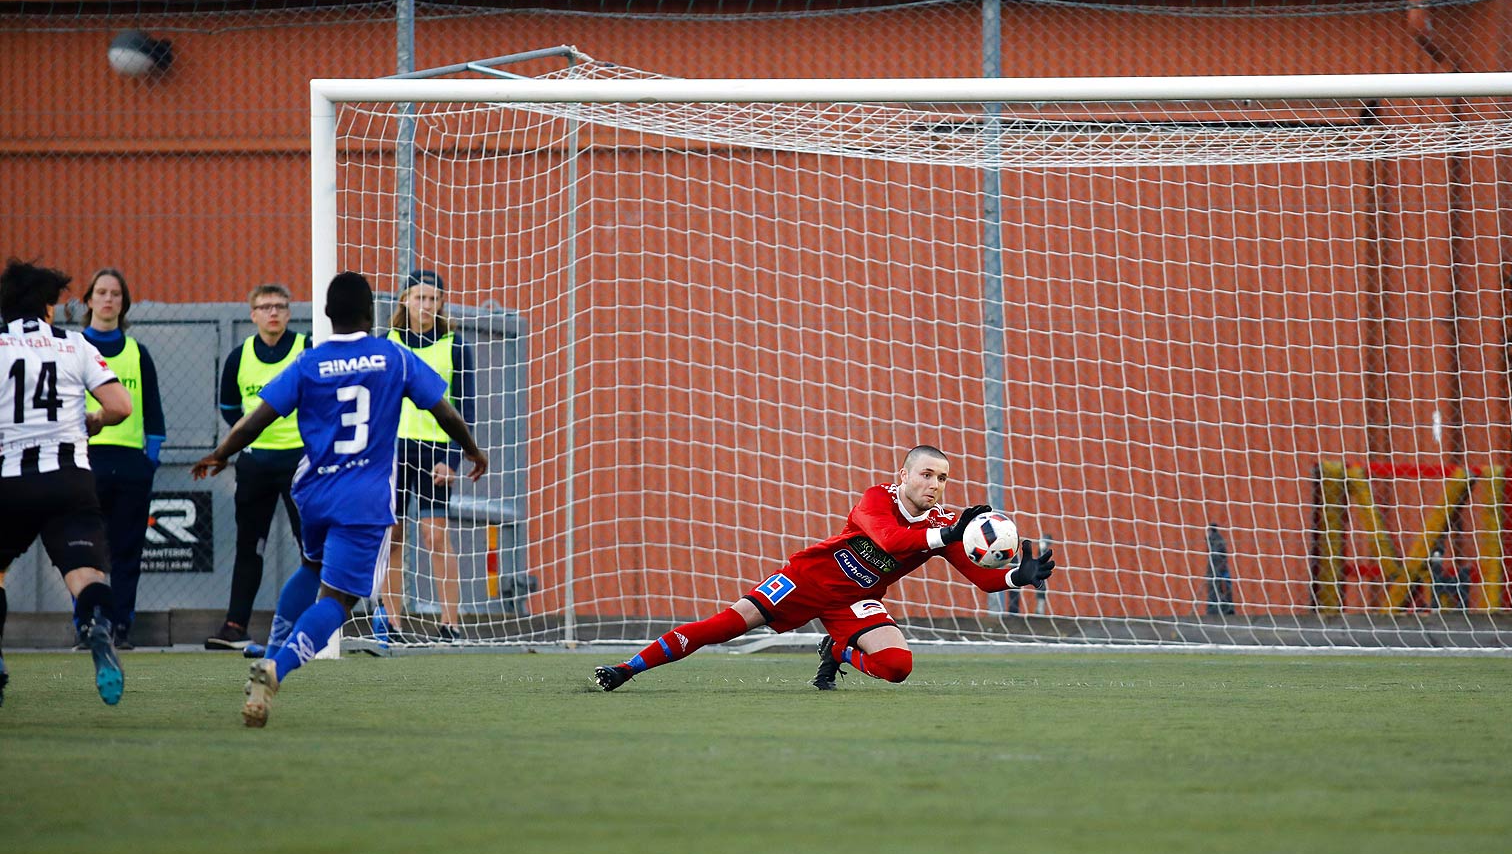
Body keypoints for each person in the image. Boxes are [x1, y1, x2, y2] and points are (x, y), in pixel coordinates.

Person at [191, 271, 487, 728]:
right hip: (362, 498)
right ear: (371, 314)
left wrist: (220, 454)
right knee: (339, 599)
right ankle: (277, 668)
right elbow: (443, 410)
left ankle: (265, 661)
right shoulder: (394, 356)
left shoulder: (310, 362)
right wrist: (470, 449)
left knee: (311, 567)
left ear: (326, 315)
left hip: (313, 490)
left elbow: (256, 420)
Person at [592, 445, 1058, 693]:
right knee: (721, 627)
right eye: (926, 474)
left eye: (943, 478)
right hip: (805, 580)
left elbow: (980, 578)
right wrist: (951, 533)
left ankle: (837, 650)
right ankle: (625, 669)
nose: (935, 485)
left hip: (855, 601)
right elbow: (892, 540)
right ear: (903, 476)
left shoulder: (943, 525)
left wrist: (1019, 576)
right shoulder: (877, 498)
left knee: (897, 668)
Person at [0, 259, 134, 707]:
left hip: (9, 481)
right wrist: (92, 419)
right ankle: (96, 624)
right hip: (70, 482)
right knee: (86, 575)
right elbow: (121, 406)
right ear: (49, 307)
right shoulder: (74, 344)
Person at [206, 283, 310, 651]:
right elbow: (230, 409)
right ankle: (235, 626)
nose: (273, 313)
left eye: (280, 306)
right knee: (250, 546)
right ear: (252, 314)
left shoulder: (305, 349)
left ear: (289, 311)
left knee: (310, 545)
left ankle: (313, 625)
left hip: (301, 462)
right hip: (255, 464)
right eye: (265, 307)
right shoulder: (238, 356)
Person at [377, 268, 476, 645]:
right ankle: (394, 623)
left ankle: (450, 624)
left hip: (436, 451)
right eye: (419, 297)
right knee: (394, 535)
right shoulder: (387, 343)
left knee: (435, 536)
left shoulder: (455, 346)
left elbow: (465, 409)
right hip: (393, 451)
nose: (426, 305)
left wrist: (452, 460)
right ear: (405, 300)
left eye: (434, 299)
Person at [77, 267, 164, 648]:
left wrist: (150, 462)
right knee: (84, 550)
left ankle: (121, 626)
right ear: (89, 300)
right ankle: (86, 624)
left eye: (115, 293)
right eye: (101, 292)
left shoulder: (137, 353)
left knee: (127, 553)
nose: (108, 299)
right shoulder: (73, 347)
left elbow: (155, 416)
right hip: (85, 463)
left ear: (123, 303)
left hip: (131, 466)